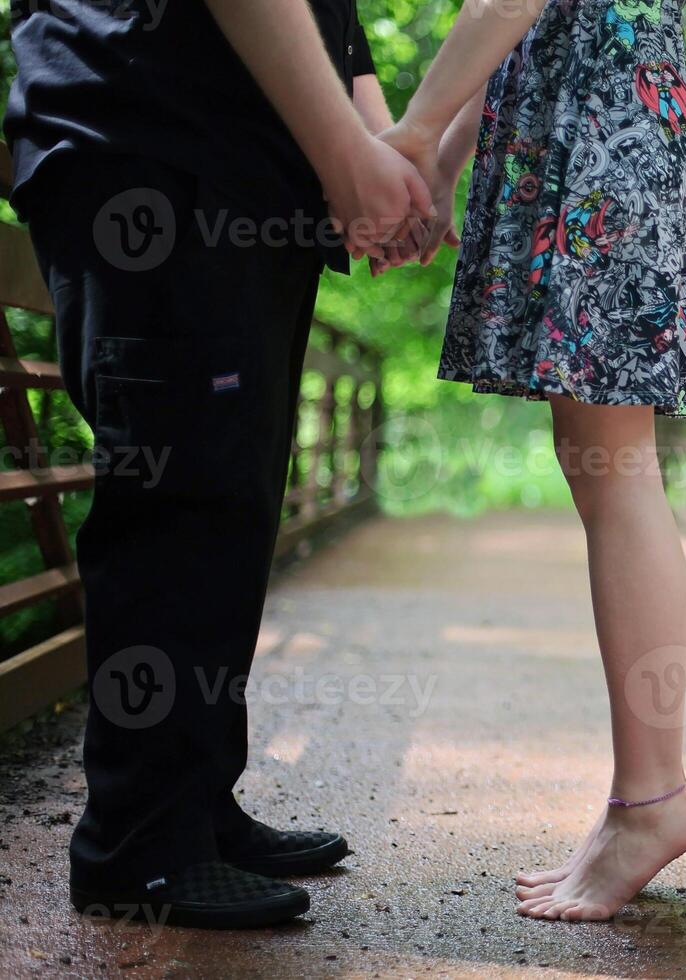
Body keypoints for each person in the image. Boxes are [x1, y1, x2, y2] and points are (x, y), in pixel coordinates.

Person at [4, 0, 439, 929]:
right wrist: (347, 155)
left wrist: (381, 153)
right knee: (178, 502)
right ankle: (139, 846)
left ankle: (194, 806)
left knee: (229, 503)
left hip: (250, 176)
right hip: (148, 144)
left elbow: (337, 25)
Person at [380, 0, 686, 920]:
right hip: (593, 121)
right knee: (602, 466)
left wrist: (414, 136)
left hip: (601, 129)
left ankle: (652, 800)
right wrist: (442, 160)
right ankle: (640, 800)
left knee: (618, 471)